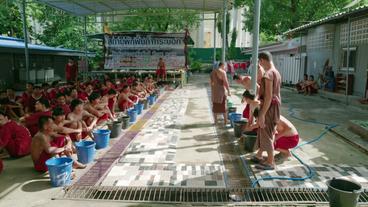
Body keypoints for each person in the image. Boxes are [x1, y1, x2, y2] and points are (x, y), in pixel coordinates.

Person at [254, 51, 281, 170]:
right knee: (269, 133)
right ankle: (268, 159)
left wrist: (262, 114)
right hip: (275, 107)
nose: (260, 65)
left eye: (260, 62)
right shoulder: (276, 73)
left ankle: (270, 162)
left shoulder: (268, 74)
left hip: (269, 108)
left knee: (266, 133)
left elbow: (268, 96)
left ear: (262, 60)